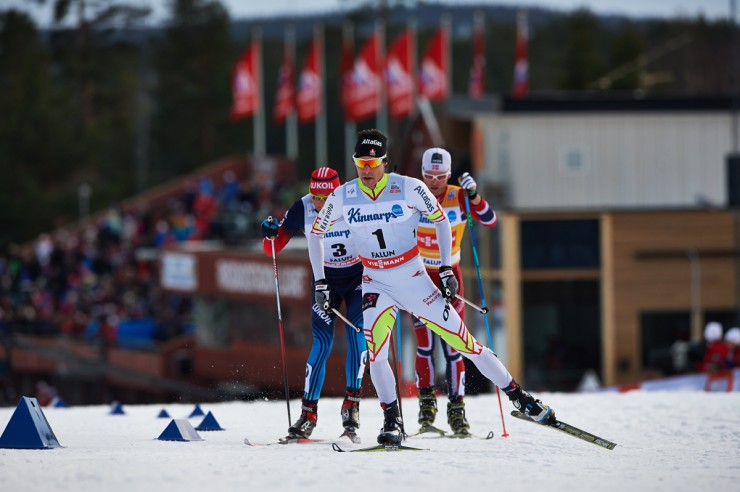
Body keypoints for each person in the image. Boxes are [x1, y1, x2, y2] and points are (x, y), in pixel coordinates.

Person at [307, 129, 554, 445]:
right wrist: (320, 282)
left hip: (413, 278)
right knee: (377, 354)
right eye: (360, 163)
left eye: (373, 163)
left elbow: (440, 220)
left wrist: (446, 268)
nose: (366, 170)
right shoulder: (343, 195)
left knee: (464, 343)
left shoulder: (408, 187)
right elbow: (316, 234)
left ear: (385, 162)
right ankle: (392, 421)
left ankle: (519, 397)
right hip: (375, 282)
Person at [261, 167, 367, 442]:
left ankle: (351, 408)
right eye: (316, 196)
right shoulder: (303, 207)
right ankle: (308, 414)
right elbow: (272, 248)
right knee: (322, 343)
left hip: (357, 278)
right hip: (324, 282)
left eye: (326, 197)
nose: (320, 203)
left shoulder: (354, 200)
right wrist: (270, 234)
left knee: (358, 337)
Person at [412, 147, 497, 436]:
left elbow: (489, 219)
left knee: (453, 346)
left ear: (448, 175)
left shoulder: (458, 195)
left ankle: (457, 411)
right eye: (428, 176)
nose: (434, 182)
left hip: (451, 277)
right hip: (420, 277)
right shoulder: (412, 194)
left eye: (440, 176)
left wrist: (473, 195)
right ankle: (426, 407)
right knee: (424, 346)